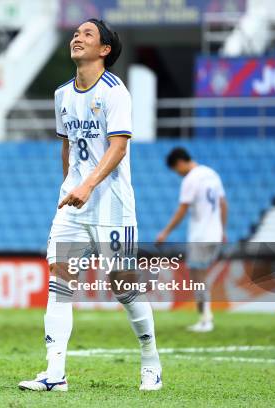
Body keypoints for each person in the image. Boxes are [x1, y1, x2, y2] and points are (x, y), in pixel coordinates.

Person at [18, 19, 162, 392]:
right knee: (59, 281)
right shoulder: (62, 94)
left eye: (87, 35)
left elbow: (118, 146)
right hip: (74, 203)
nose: (77, 38)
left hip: (112, 205)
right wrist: (70, 187)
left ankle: (151, 361)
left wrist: (87, 184)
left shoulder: (116, 91)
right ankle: (55, 373)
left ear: (105, 50)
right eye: (76, 33)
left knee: (122, 285)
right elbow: (67, 146)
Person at [157, 147, 227, 332]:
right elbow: (223, 204)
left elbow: (182, 209)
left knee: (198, 277)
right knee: (201, 276)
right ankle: (205, 318)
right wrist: (222, 230)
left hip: (200, 234)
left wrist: (165, 232)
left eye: (175, 169)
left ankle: (206, 319)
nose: (178, 173)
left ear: (179, 162)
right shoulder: (211, 174)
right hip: (214, 233)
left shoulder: (191, 179)